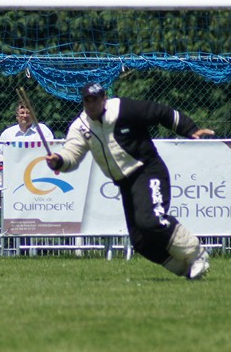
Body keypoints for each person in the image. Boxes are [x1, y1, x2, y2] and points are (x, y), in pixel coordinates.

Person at [45, 83, 214, 279]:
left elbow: (160, 112)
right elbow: (71, 154)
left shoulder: (124, 109)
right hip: (125, 183)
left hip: (148, 171)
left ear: (104, 99)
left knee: (150, 221)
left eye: (95, 100)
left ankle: (196, 254)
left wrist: (189, 128)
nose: (91, 105)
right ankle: (185, 269)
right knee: (140, 241)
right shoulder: (80, 127)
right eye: (87, 100)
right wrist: (58, 161)